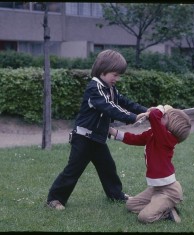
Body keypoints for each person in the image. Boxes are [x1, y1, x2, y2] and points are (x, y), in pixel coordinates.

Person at [46, 49, 150, 210]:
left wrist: (147, 111)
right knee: (73, 170)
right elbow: (110, 107)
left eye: (119, 75)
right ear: (103, 70)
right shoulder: (95, 89)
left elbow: (125, 102)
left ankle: (115, 194)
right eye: (115, 74)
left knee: (108, 167)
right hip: (83, 138)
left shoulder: (110, 88)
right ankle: (54, 199)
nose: (117, 78)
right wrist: (133, 117)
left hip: (97, 138)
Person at [109, 104, 191, 223]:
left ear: (170, 125)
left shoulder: (166, 139)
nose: (161, 116)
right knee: (130, 205)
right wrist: (114, 132)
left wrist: (161, 108)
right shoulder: (155, 134)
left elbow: (154, 115)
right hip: (156, 189)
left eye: (164, 117)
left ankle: (167, 210)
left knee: (144, 217)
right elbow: (135, 139)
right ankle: (161, 205)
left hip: (169, 191)